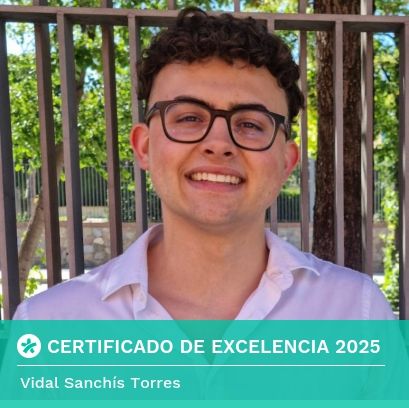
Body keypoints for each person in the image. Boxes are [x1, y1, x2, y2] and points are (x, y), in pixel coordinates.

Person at [13, 7, 394, 320]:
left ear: (286, 161)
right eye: (189, 117)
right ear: (144, 147)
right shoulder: (49, 326)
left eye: (250, 124)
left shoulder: (358, 313)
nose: (218, 144)